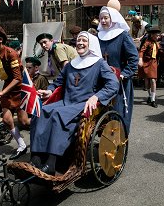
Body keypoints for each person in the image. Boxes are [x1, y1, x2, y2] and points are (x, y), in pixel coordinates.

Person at [30, 31, 119, 175]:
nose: (80, 43)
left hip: (84, 104)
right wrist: (50, 91)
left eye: (84, 40)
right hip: (67, 100)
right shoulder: (71, 64)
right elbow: (58, 83)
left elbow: (113, 84)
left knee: (58, 116)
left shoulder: (99, 63)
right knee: (40, 112)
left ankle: (52, 163)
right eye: (78, 40)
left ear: (91, 44)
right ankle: (36, 158)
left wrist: (97, 96)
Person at [0, 24, 28, 158]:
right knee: (6, 119)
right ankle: (22, 145)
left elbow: (17, 78)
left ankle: (43, 128)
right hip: (7, 88)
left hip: (19, 89)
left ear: (0, 39)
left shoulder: (12, 53)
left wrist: (3, 92)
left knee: (24, 122)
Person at [98, 6, 138, 132]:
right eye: (101, 18)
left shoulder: (123, 35)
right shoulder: (98, 36)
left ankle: (119, 142)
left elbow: (133, 58)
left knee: (118, 112)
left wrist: (124, 74)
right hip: (101, 80)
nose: (103, 21)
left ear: (113, 19)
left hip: (120, 82)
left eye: (106, 18)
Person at [138, 26, 163, 108]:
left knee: (153, 80)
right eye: (157, 35)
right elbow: (141, 51)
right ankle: (149, 95)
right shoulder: (147, 42)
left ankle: (153, 99)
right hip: (146, 62)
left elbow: (161, 52)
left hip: (153, 63)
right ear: (152, 35)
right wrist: (140, 59)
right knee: (147, 81)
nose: (158, 36)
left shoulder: (157, 44)